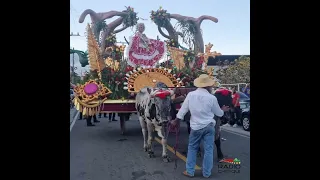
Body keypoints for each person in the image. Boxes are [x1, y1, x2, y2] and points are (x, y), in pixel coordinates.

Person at [171, 74, 230, 178]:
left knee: (192, 148)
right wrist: (223, 110)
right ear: (208, 86)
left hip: (196, 127)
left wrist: (176, 121)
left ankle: (190, 171)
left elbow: (183, 110)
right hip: (209, 127)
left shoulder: (190, 95)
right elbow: (219, 113)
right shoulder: (212, 98)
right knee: (209, 150)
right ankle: (207, 173)